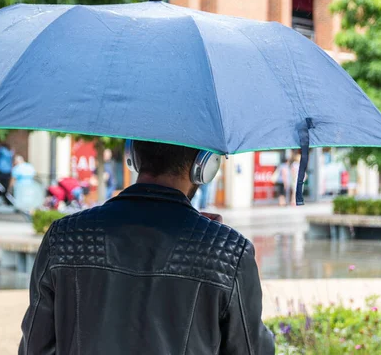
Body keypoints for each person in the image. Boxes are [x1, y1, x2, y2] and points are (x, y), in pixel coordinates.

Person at [19, 141, 274, 355]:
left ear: (134, 156)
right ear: (204, 167)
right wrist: (212, 244)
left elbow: (35, 346)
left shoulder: (65, 237)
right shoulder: (228, 252)